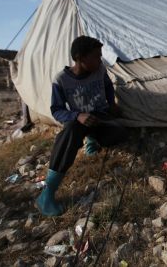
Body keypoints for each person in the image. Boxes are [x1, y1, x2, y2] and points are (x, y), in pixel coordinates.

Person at [36, 36, 128, 216]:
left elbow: (108, 86)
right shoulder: (61, 80)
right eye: (95, 56)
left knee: (121, 133)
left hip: (101, 119)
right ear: (79, 58)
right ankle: (47, 194)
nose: (100, 60)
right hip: (81, 122)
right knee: (69, 133)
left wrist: (111, 104)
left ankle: (92, 140)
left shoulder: (99, 70)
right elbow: (57, 110)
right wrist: (77, 115)